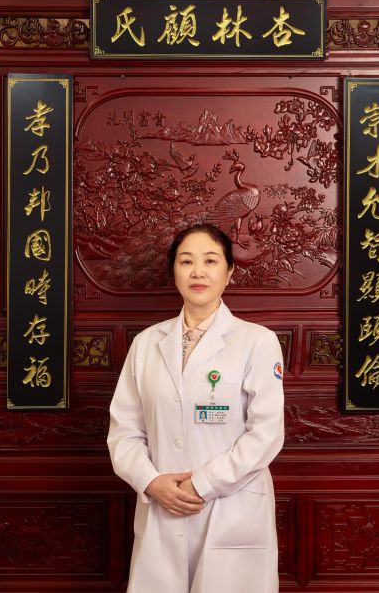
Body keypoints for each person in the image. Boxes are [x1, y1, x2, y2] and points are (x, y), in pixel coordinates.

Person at [107, 224, 285, 593]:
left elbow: (266, 434)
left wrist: (202, 484)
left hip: (231, 508)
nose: (198, 272)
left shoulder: (257, 342)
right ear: (173, 271)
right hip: (162, 506)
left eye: (210, 261)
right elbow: (124, 432)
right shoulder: (146, 344)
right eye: (186, 261)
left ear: (229, 272)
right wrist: (151, 481)